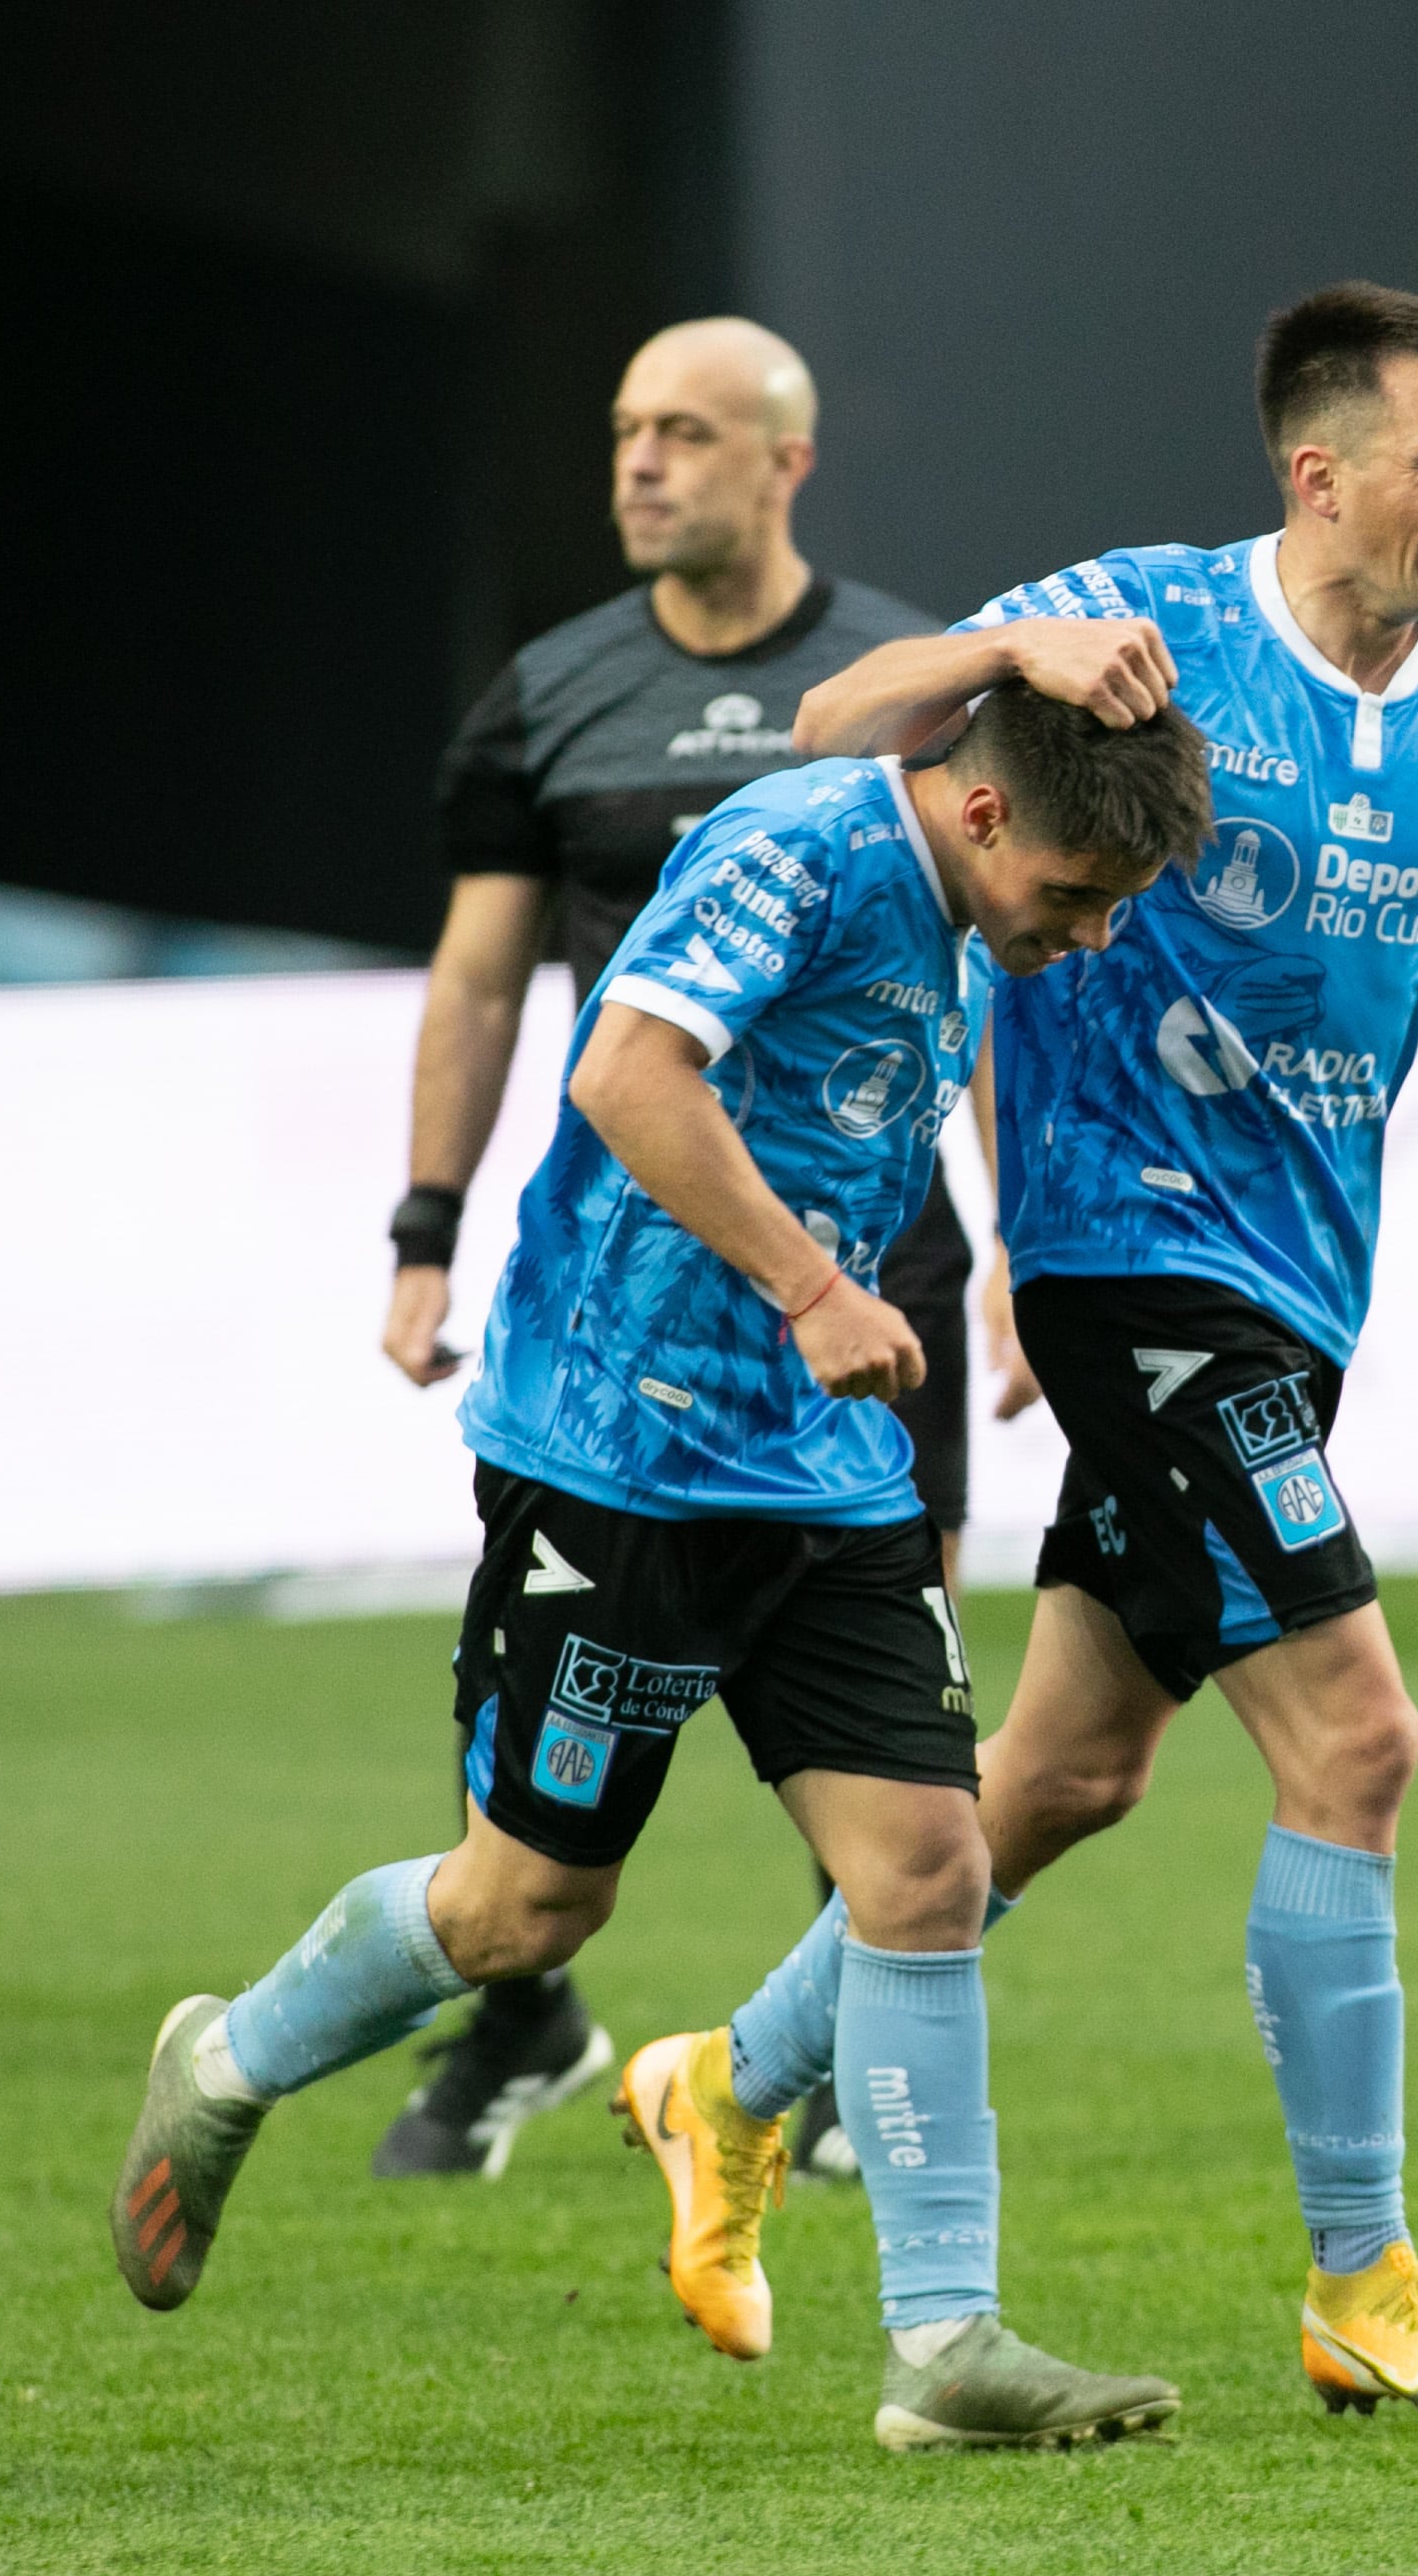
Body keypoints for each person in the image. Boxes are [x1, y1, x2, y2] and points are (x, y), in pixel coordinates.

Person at [675, 282, 1418, 2426]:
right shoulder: (1139, 623)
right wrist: (1001, 654)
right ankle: (1362, 2277)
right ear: (1318, 471)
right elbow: (833, 723)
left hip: (1290, 1288)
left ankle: (730, 2076)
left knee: (1065, 1777)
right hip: (1127, 1263)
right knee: (1351, 1737)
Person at [113, 685, 1209, 2451]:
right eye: (1080, 896)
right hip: (616, 1450)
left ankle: (945, 2346)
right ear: (992, 817)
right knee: (525, 1908)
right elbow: (626, 1071)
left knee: (926, 1868)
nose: (1086, 941)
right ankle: (226, 2062)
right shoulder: (798, 848)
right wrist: (812, 1285)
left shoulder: (965, 907)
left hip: (822, 1473)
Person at [371, 318, 957, 2186]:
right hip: (629, 1288)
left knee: (889, 1657)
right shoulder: (548, 695)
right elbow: (477, 983)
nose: (640, 465)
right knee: (555, 1713)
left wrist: (1017, 1253)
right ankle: (525, 2014)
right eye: (626, 430)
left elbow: (1005, 958)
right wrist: (422, 1234)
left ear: (787, 462)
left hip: (881, 1249)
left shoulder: (897, 686)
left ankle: (844, 2067)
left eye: (687, 434)